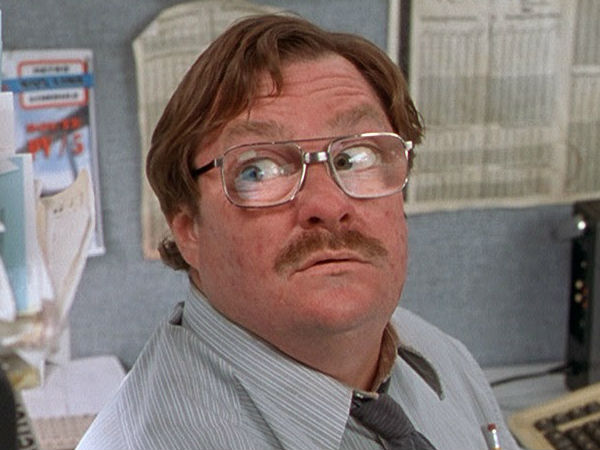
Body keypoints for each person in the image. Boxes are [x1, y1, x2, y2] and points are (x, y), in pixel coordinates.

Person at [77, 13, 519, 450]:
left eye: (356, 158)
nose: (329, 206)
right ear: (189, 229)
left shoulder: (441, 358)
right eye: (259, 169)